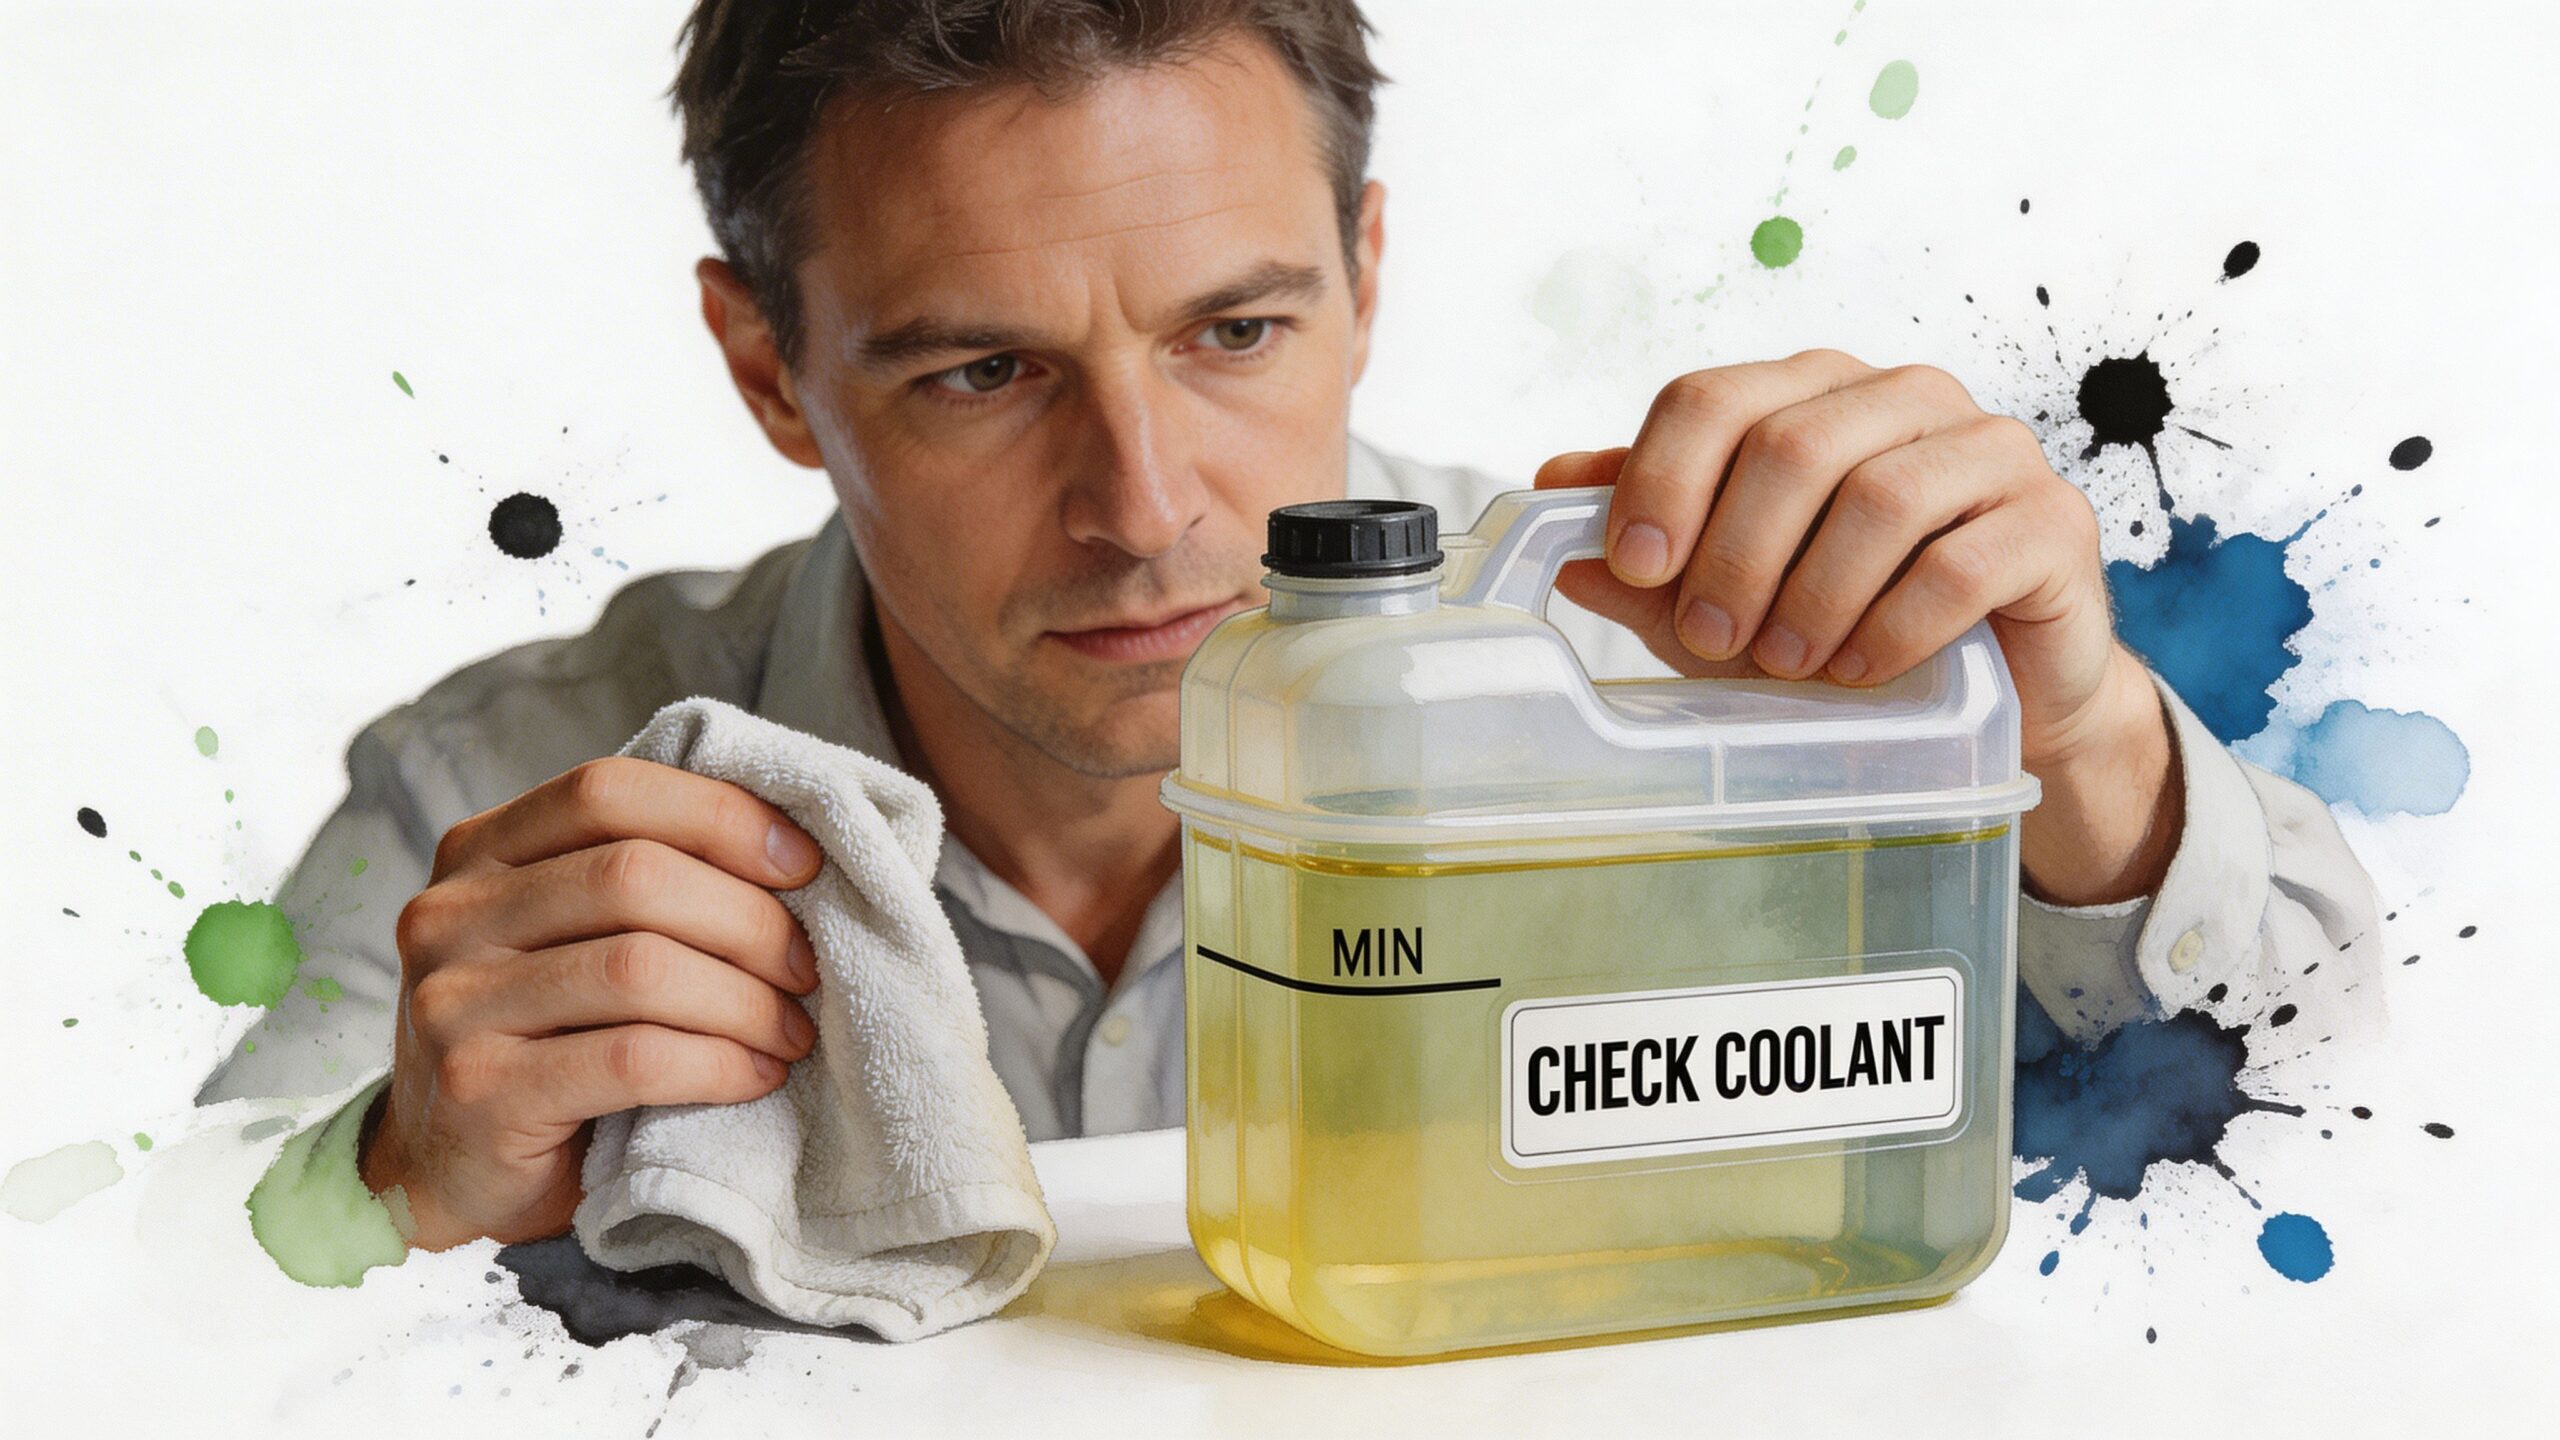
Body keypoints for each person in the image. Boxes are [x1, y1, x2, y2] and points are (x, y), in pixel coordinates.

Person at [196, 0, 2382, 1255]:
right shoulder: (511, 799)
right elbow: (150, 1319)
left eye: (1235, 329)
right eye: (975, 372)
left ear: (1361, 269)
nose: (1145, 510)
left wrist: (2074, 743)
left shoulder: (1692, 667)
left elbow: (2337, 1114)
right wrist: (396, 1181)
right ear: (770, 369)